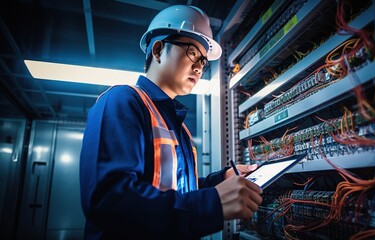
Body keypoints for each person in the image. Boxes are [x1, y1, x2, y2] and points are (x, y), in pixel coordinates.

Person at [79, 5, 263, 239]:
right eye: (192, 53)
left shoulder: (179, 128)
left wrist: (220, 181)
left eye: (203, 62)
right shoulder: (122, 100)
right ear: (158, 50)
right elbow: (108, 198)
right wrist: (211, 204)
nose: (199, 68)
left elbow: (175, 191)